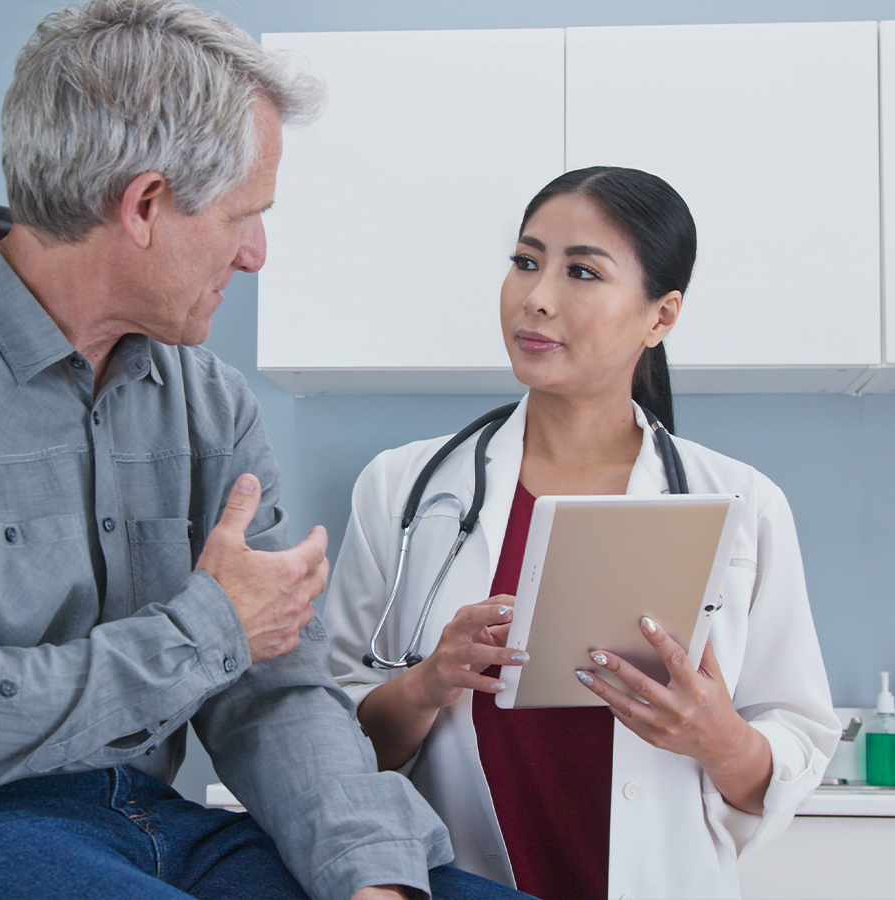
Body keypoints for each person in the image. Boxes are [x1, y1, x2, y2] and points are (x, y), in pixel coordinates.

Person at [0, 3, 525, 898]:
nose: (256, 253)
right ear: (146, 206)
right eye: (245, 215)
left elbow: (274, 693)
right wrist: (212, 629)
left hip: (133, 818)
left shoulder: (209, 404)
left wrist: (369, 876)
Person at [323, 166, 842, 900]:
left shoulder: (743, 503)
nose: (536, 297)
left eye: (581, 273)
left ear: (660, 318)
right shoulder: (403, 488)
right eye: (526, 262)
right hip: (458, 883)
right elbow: (332, 735)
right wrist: (425, 684)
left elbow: (794, 739)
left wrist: (719, 739)